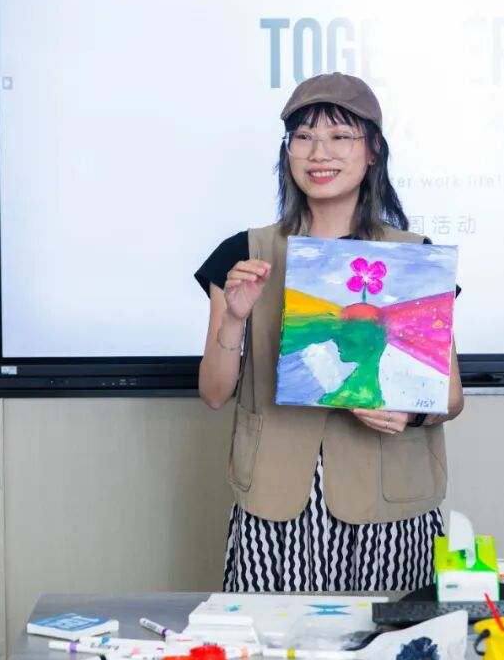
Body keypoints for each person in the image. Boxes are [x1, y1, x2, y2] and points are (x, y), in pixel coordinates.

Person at [194, 72, 464, 593]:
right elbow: (213, 393)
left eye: (340, 136)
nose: (320, 153)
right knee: (271, 635)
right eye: (304, 137)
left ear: (373, 150)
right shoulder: (245, 253)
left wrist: (411, 413)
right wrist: (234, 318)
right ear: (288, 151)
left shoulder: (415, 259)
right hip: (275, 502)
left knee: (390, 635)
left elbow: (451, 395)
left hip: (389, 506)